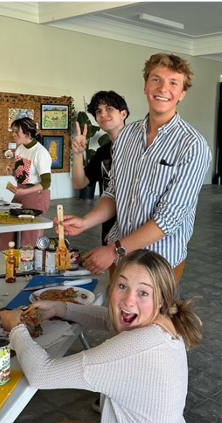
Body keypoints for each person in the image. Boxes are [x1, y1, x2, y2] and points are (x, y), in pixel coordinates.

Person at [0, 249, 202, 423]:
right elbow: (112, 319)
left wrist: (16, 328)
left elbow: (42, 374)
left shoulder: (136, 347)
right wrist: (62, 309)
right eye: (122, 285)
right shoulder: (163, 323)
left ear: (161, 299)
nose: (128, 299)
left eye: (143, 292)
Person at [61, 53, 212, 282]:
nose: (163, 88)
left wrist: (113, 250)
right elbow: (114, 192)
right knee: (116, 316)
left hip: (160, 260)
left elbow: (168, 219)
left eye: (173, 82)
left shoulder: (193, 145)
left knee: (149, 317)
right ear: (145, 86)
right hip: (120, 255)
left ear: (182, 93)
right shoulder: (127, 136)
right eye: (156, 79)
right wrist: (86, 222)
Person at [71, 90, 129, 245]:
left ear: (123, 114)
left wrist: (119, 228)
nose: (103, 114)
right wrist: (77, 154)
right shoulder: (103, 152)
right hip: (108, 227)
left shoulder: (140, 148)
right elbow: (80, 183)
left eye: (109, 108)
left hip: (133, 232)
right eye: (99, 111)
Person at [0, 117, 52, 251]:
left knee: (30, 236)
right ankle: (7, 260)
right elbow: (24, 173)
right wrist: (13, 172)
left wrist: (25, 192)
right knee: (8, 229)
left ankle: (28, 266)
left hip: (35, 195)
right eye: (13, 131)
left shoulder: (41, 153)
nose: (13, 134)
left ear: (28, 134)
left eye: (17, 132)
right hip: (21, 192)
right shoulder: (21, 148)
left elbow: (46, 182)